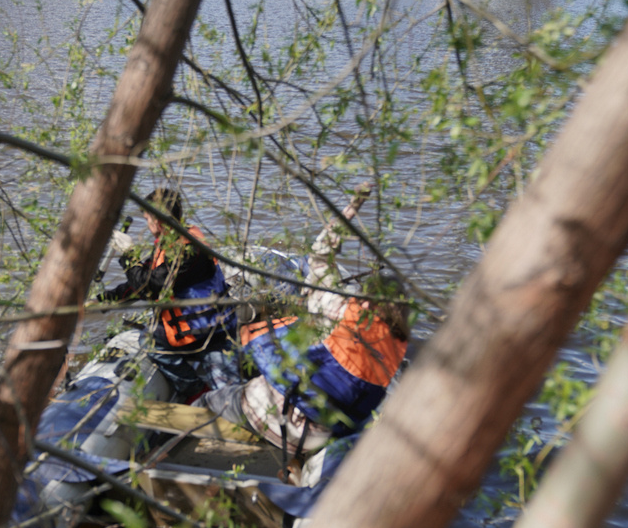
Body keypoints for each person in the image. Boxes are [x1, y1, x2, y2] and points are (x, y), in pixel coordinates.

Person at [195, 193, 411, 457]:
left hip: (273, 418)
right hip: (317, 438)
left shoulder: (338, 308)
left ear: (367, 301)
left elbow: (319, 257)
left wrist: (349, 211)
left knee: (208, 401)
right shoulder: (392, 353)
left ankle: (168, 450)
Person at [100, 187, 238, 398]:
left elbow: (151, 288)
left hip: (202, 333)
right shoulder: (178, 239)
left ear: (157, 218)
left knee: (149, 340)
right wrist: (106, 299)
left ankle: (191, 387)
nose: (147, 224)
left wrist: (129, 255)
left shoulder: (185, 251)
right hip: (211, 325)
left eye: (147, 218)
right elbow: (146, 278)